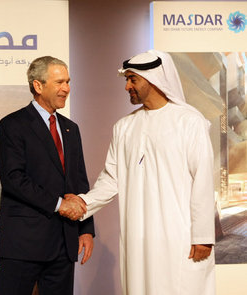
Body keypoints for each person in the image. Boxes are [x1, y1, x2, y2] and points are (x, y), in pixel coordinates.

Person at [75, 50, 216, 295]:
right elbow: (111, 179)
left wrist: (203, 235)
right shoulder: (124, 127)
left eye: (133, 79)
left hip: (179, 237)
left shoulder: (190, 122)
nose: (127, 86)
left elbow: (202, 180)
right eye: (127, 80)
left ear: (153, 79)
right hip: (137, 237)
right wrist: (83, 203)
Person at [0, 56, 95, 295]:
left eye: (68, 82)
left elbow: (79, 181)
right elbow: (13, 179)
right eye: (60, 82)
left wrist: (86, 229)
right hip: (23, 246)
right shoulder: (12, 125)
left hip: (64, 243)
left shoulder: (71, 129)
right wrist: (59, 204)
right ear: (38, 86)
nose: (67, 89)